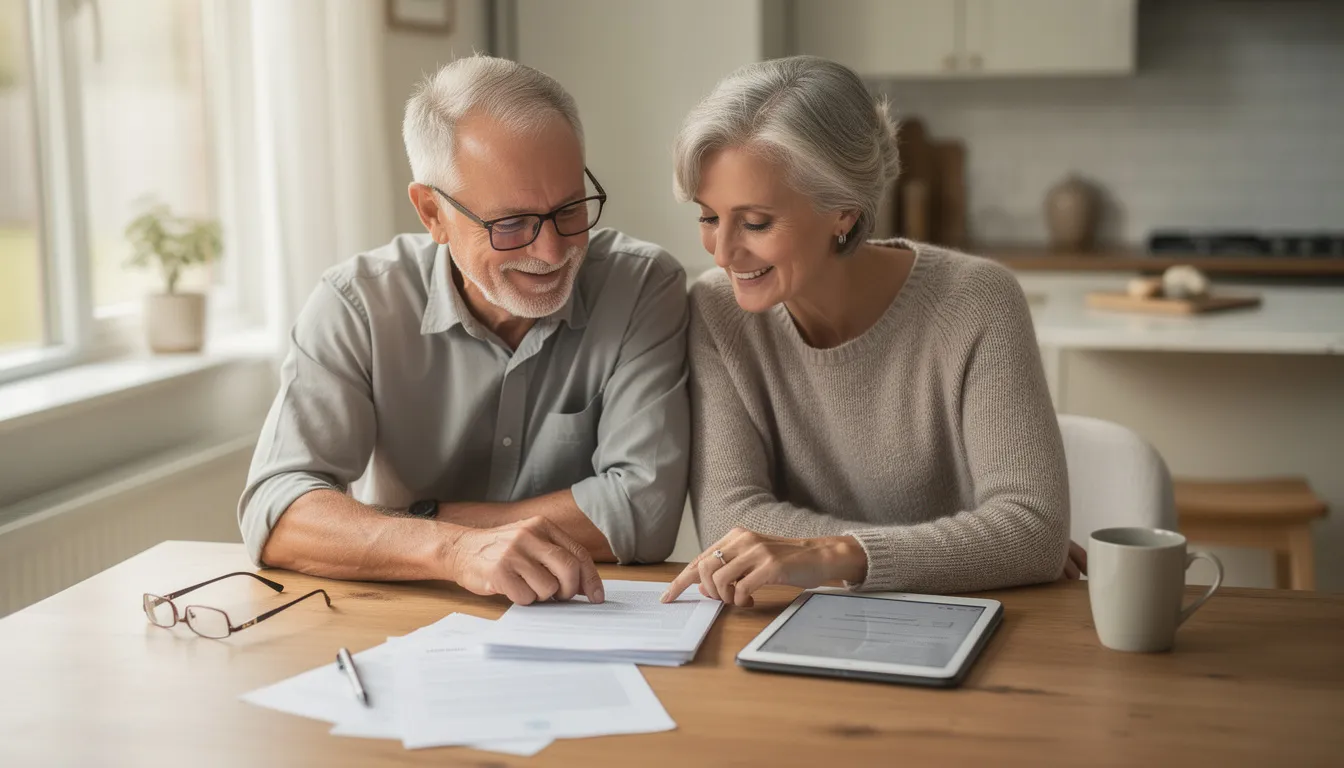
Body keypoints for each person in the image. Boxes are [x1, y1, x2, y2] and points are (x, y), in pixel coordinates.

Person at [239, 55, 691, 605]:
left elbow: (644, 511)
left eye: (571, 209)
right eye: (512, 224)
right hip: (406, 613)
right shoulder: (356, 304)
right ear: (432, 213)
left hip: (582, 611)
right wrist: (450, 550)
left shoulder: (642, 286)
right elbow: (279, 509)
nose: (552, 251)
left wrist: (417, 520)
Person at [662, 56, 1083, 607]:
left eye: (756, 223)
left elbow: (1030, 530)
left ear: (844, 209)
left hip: (966, 620)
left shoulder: (977, 302)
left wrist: (833, 554)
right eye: (708, 216)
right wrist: (970, 549)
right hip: (798, 622)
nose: (722, 252)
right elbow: (731, 520)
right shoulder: (717, 312)